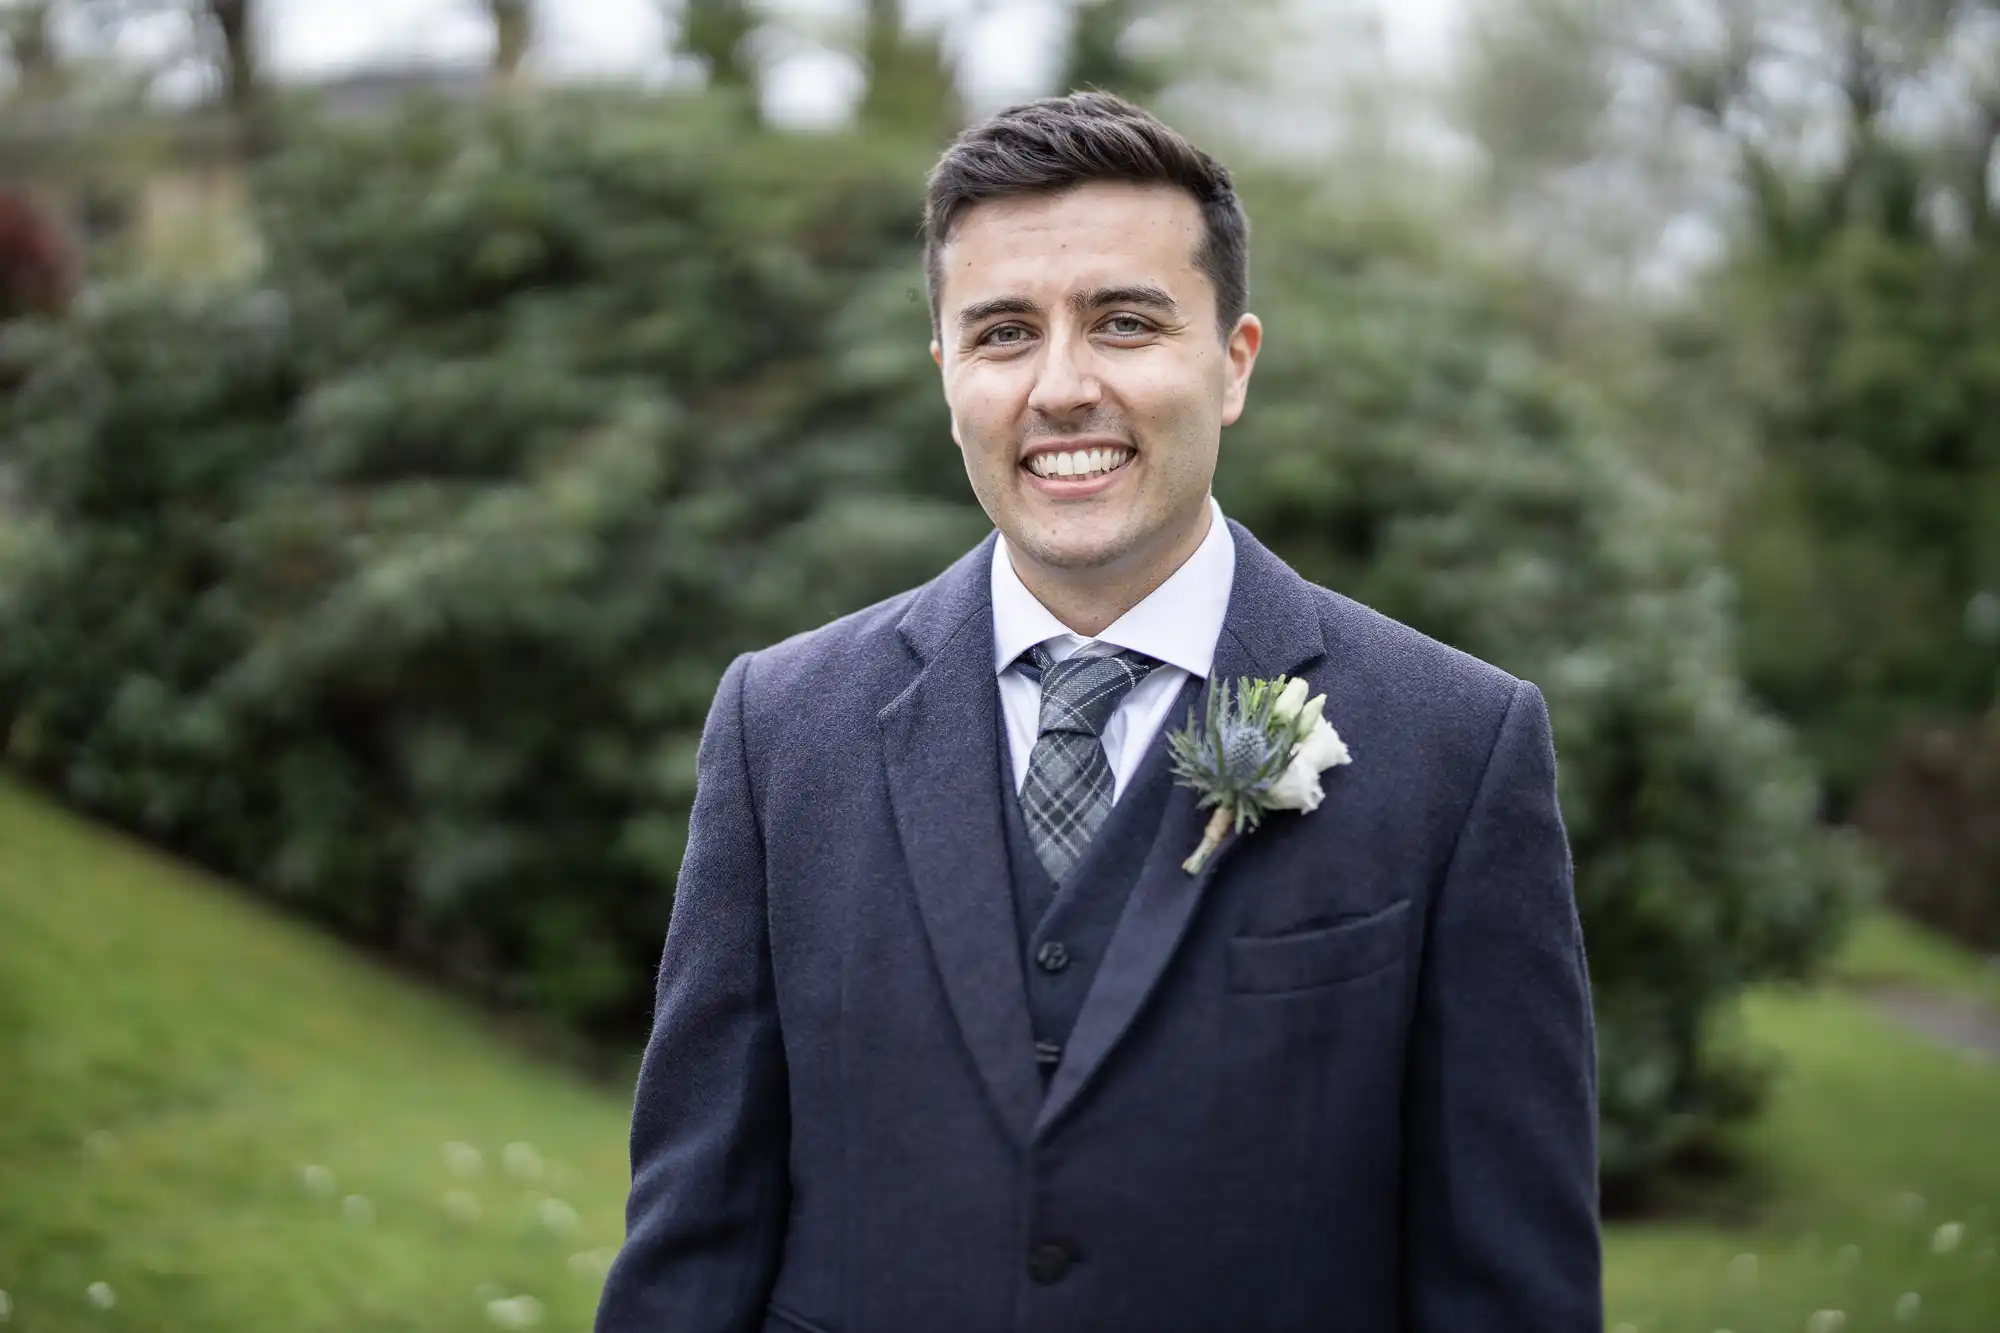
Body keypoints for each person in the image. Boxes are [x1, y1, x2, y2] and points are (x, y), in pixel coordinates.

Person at [594, 91, 1602, 1333]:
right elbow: (693, 1243)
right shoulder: (779, 726)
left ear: (1230, 364)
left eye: (1124, 323)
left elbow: (1508, 1283)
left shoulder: (1455, 743)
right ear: (947, 377)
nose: (1061, 388)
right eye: (1004, 333)